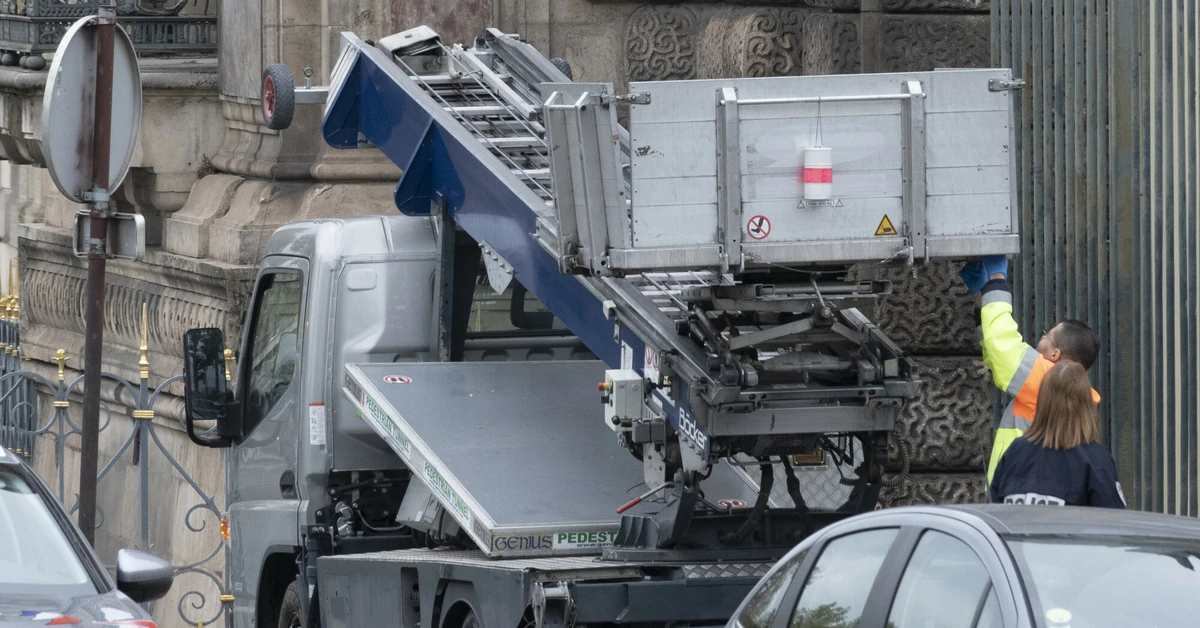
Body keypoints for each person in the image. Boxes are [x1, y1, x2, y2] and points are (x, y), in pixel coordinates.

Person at [958, 255, 1101, 487]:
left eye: (1047, 335)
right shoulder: (1068, 394)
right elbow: (996, 356)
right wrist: (980, 297)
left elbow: (1003, 347)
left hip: (1021, 498)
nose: (1042, 337)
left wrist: (996, 279)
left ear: (1055, 355)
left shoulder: (1049, 383)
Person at [988, 361, 1125, 507]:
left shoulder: (1016, 451)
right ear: (1085, 405)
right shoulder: (1095, 458)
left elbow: (993, 513)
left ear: (1042, 401)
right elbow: (1112, 522)